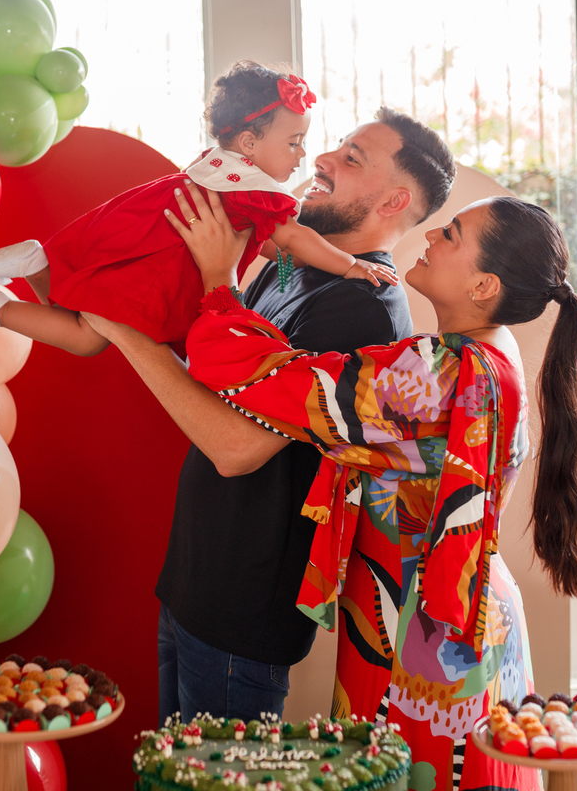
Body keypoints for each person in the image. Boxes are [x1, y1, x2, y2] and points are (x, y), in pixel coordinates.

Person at [94, 189, 577, 791]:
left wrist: (216, 278)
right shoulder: (492, 353)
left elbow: (284, 385)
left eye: (454, 235)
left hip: (423, 627)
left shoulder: (439, 374)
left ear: (484, 286)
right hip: (453, 610)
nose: (434, 235)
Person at [73, 106, 456, 725]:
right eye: (333, 147)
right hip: (196, 583)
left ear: (394, 202)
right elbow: (217, 374)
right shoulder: (294, 267)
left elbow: (236, 447)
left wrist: (128, 326)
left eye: (351, 158)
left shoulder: (363, 308)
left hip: (241, 612)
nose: (322, 160)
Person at [0, 61, 399, 356]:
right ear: (249, 142)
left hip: (140, 233)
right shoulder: (256, 191)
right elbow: (295, 236)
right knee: (88, 340)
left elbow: (258, 242)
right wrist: (348, 267)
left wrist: (279, 254)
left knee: (74, 310)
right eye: (293, 143)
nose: (303, 155)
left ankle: (38, 265)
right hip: (160, 268)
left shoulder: (218, 167)